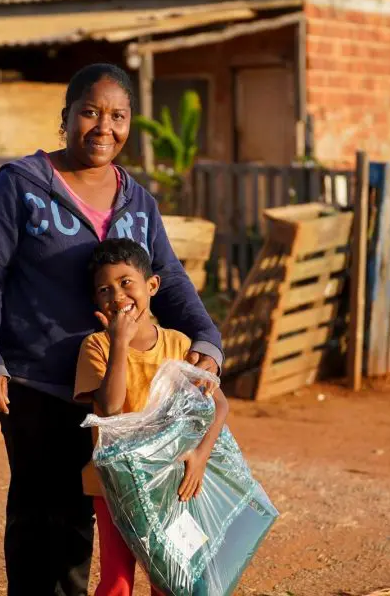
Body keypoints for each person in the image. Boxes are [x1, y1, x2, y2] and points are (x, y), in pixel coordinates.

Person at [0, 62, 223, 596]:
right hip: (38, 383)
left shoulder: (138, 202)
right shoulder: (21, 187)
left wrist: (206, 338)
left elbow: (167, 277)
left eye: (118, 116)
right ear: (67, 117)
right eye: (91, 112)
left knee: (97, 520)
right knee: (43, 516)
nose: (105, 127)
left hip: (117, 401)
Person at [74, 239, 229, 596]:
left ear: (152, 286)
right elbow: (111, 409)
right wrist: (119, 344)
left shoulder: (177, 345)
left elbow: (219, 405)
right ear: (96, 301)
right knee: (117, 582)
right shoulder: (95, 347)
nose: (118, 295)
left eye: (127, 282)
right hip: (114, 485)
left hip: (169, 484)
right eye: (105, 289)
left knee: (174, 578)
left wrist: (200, 457)